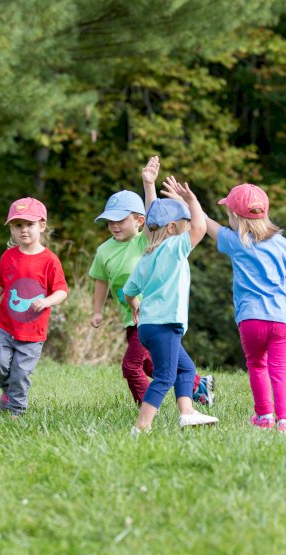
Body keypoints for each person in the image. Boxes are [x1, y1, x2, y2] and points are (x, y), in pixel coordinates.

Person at [89, 157, 215, 407]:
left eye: (120, 220)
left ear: (140, 221)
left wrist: (149, 184)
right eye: (110, 221)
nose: (114, 226)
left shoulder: (145, 242)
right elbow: (101, 280)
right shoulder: (104, 250)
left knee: (131, 366)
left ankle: (147, 407)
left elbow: (155, 215)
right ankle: (198, 385)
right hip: (131, 319)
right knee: (152, 364)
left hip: (153, 316)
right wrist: (97, 311)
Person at [204, 182, 286, 434]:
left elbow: (205, 223)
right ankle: (285, 421)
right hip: (281, 319)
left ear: (234, 216)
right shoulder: (279, 242)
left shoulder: (235, 242)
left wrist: (188, 201)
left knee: (257, 365)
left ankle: (264, 416)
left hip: (251, 320)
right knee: (280, 370)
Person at [123, 177, 219, 433]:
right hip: (165, 325)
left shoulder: (146, 257)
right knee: (165, 377)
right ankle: (141, 426)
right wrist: (192, 200)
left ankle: (187, 412)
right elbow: (200, 227)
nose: (189, 229)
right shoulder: (175, 247)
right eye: (185, 225)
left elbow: (128, 292)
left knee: (186, 369)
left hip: (147, 327)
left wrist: (134, 306)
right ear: (173, 227)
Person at [0, 197, 68, 417]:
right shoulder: (8, 256)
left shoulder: (50, 260)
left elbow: (61, 291)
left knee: (20, 373)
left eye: (29, 224)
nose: (23, 230)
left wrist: (47, 301)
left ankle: (16, 410)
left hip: (32, 331)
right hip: (5, 325)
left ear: (42, 225)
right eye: (17, 225)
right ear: (11, 229)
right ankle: (9, 391)